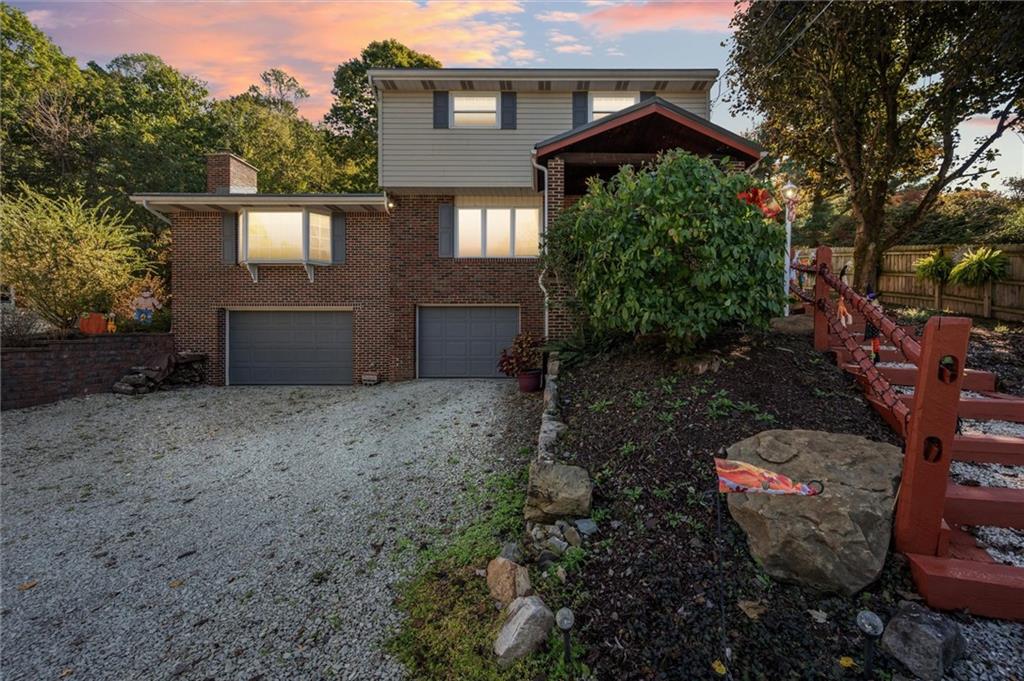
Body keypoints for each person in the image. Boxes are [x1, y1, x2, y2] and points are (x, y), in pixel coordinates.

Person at [863, 289, 883, 362]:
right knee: (873, 342)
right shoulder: (870, 304)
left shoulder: (876, 306)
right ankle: (873, 357)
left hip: (875, 325)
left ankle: (874, 357)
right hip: (871, 325)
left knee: (875, 342)